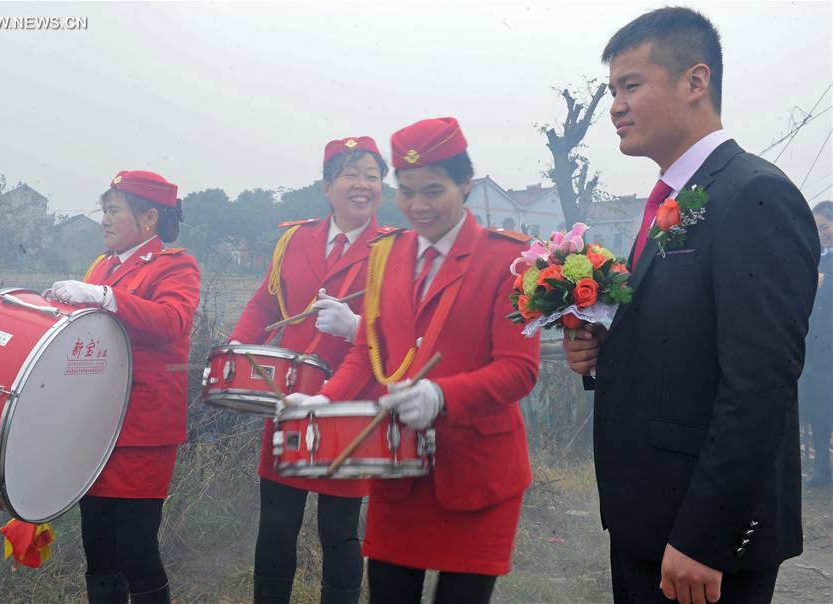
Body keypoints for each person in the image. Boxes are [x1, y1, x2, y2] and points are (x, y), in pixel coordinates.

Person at [562, 8, 820, 604]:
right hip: (648, 516)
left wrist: (708, 536)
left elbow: (760, 383)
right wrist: (603, 354)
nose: (615, 107)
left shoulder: (754, 194)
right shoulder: (673, 200)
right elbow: (686, 342)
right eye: (611, 91)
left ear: (695, 81)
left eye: (631, 85)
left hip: (700, 542)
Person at [298, 117, 540, 604]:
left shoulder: (509, 261)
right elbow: (370, 353)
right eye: (406, 192)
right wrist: (323, 401)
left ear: (465, 185)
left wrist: (441, 395)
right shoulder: (387, 254)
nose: (418, 207)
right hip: (399, 467)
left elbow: (520, 369)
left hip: (477, 474)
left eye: (434, 191)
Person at [229, 136, 389, 604]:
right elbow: (264, 301)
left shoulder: (393, 249)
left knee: (339, 530)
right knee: (276, 523)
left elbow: (403, 332)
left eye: (373, 176)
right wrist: (241, 344)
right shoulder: (295, 239)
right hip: (290, 399)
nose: (363, 185)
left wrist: (356, 325)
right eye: (351, 175)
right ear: (328, 186)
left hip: (353, 403)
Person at [51, 170, 200, 604]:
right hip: (96, 423)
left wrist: (103, 296)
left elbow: (174, 321)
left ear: (148, 218)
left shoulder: (175, 264)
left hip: (143, 427)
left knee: (136, 546)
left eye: (114, 210)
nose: (104, 220)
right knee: (97, 544)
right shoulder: (103, 265)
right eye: (105, 211)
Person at [801, 201, 833, 487]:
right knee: (818, 408)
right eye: (818, 228)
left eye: (825, 227)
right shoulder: (814, 255)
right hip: (816, 345)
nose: (822, 233)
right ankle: (822, 467)